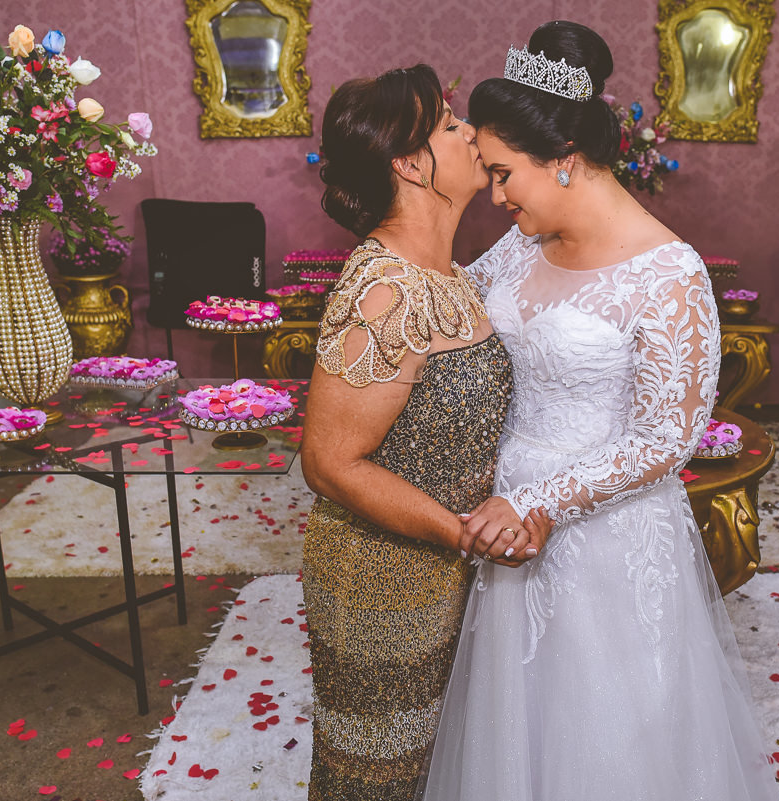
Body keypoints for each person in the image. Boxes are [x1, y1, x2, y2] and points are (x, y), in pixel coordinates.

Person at [423, 21, 779, 801]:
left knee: (610, 731)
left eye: (502, 172)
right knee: (514, 729)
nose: (494, 193)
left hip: (604, 537)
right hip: (506, 523)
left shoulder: (668, 273)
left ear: (566, 161)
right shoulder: (522, 242)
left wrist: (540, 500)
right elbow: (459, 307)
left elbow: (668, 434)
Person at [299, 65, 551, 801]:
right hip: (385, 575)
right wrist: (460, 534)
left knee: (439, 765)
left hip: (446, 567)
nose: (469, 131)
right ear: (409, 164)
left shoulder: (454, 276)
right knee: (377, 774)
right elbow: (329, 462)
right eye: (448, 125)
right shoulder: (384, 290)